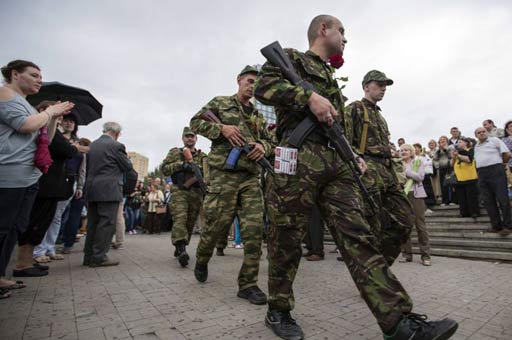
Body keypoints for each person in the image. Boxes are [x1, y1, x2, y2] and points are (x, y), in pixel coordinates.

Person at [254, 14, 457, 340]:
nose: (345, 38)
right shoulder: (291, 57)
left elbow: (338, 128)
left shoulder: (332, 80)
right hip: (296, 162)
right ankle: (278, 310)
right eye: (341, 31)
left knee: (359, 238)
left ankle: (398, 322)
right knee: (286, 240)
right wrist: (308, 97)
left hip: (337, 168)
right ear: (323, 30)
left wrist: (355, 158)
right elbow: (264, 87)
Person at [190, 65, 272, 306]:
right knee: (215, 227)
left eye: (256, 83)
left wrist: (262, 146)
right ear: (238, 80)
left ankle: (247, 284)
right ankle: (202, 258)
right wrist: (221, 129)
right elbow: (195, 122)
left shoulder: (258, 116)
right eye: (249, 80)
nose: (252, 86)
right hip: (223, 176)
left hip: (250, 178)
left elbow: (270, 139)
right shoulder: (221, 103)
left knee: (255, 231)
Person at [0, 60, 73, 296]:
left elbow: (46, 140)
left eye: (40, 76)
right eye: (33, 75)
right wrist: (50, 111)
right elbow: (25, 126)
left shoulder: (26, 104)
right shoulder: (4, 95)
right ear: (15, 74)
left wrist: (52, 120)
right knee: (2, 228)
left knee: (14, 228)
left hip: (27, 177)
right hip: (9, 174)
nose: (39, 80)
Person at [346, 70, 414, 266]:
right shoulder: (355, 109)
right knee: (372, 225)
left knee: (406, 218)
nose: (384, 88)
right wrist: (356, 159)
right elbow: (344, 139)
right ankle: (373, 275)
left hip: (387, 171)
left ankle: (379, 267)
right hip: (368, 170)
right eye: (379, 84)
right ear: (366, 86)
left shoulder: (380, 116)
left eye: (385, 85)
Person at [32, 113, 88, 262]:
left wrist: (80, 186)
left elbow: (82, 167)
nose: (69, 124)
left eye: (72, 122)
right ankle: (38, 250)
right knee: (46, 214)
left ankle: (49, 247)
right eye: (66, 121)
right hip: (52, 178)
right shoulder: (53, 137)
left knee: (57, 216)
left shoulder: (78, 143)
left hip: (70, 180)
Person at [83, 122, 134, 267]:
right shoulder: (117, 146)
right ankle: (99, 256)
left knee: (93, 222)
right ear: (117, 133)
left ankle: (88, 256)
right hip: (109, 190)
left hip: (92, 188)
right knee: (106, 223)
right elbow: (128, 167)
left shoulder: (92, 145)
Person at [161, 127, 207, 266]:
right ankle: (182, 249)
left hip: (196, 193)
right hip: (180, 191)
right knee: (180, 219)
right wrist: (182, 165)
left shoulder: (203, 156)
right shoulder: (175, 152)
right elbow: (164, 169)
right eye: (187, 136)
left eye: (192, 136)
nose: (190, 138)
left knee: (190, 222)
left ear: (196, 139)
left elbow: (208, 173)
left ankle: (180, 245)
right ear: (183, 138)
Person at [474, 127, 511, 235]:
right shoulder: (476, 146)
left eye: (483, 131)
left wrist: (500, 163)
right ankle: (496, 226)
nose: (481, 133)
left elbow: (507, 154)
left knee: (502, 199)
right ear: (476, 135)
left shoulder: (495, 140)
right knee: (488, 201)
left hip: (496, 170)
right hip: (482, 173)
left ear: (487, 133)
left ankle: (508, 226)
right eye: (479, 132)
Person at [398, 144, 431, 266]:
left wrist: (406, 172)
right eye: (401, 150)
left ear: (411, 152)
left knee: (420, 226)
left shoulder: (418, 162)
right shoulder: (397, 164)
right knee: (405, 226)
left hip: (416, 196)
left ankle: (426, 256)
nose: (403, 152)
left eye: (406, 150)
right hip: (402, 197)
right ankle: (406, 254)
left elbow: (420, 177)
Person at [452, 137, 479, 218]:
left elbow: (469, 160)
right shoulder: (457, 152)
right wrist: (454, 157)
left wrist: (458, 155)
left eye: (460, 142)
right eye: (458, 142)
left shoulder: (470, 150)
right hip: (459, 177)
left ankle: (474, 212)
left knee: (471, 196)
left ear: (466, 143)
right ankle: (464, 212)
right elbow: (452, 164)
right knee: (461, 197)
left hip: (469, 176)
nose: (458, 143)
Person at [433, 136, 455, 205]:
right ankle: (445, 201)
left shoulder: (450, 148)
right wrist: (437, 165)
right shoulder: (437, 151)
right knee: (443, 185)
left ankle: (452, 200)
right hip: (441, 169)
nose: (442, 141)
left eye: (444, 140)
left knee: (450, 184)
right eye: (440, 140)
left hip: (449, 168)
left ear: (447, 141)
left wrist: (446, 149)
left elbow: (451, 157)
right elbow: (435, 159)